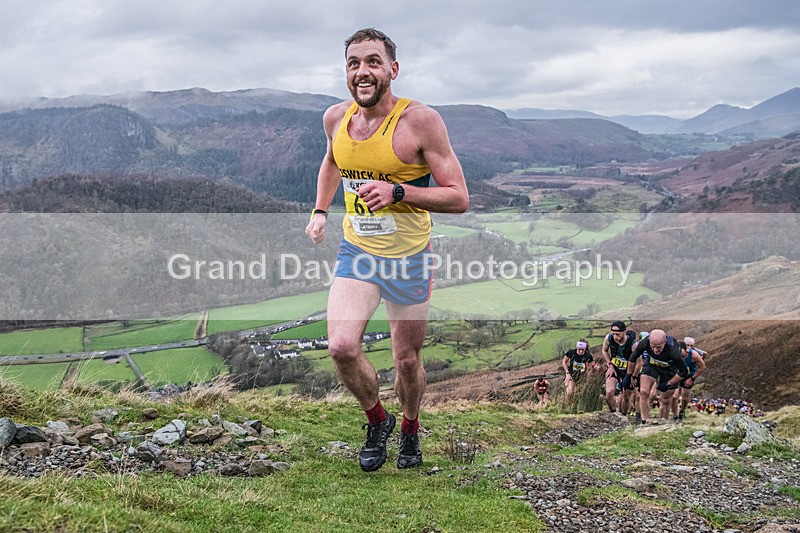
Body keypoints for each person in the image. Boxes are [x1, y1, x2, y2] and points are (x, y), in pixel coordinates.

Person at [306, 28, 469, 472]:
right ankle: (377, 419)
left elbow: (458, 197)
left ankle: (411, 429)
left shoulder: (420, 121)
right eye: (354, 63)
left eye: (373, 62)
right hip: (358, 252)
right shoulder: (335, 119)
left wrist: (399, 192)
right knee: (341, 346)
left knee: (406, 357)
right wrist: (321, 210)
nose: (363, 71)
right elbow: (332, 161)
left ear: (392, 70)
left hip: (409, 257)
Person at [623, 329, 690, 424]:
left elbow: (683, 372)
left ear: (665, 342)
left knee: (666, 400)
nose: (655, 350)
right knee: (644, 392)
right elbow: (633, 358)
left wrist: (668, 384)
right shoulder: (645, 342)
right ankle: (644, 421)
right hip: (652, 364)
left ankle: (663, 422)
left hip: (670, 368)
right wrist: (629, 375)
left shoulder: (673, 350)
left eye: (659, 347)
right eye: (652, 346)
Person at [601, 321, 637, 414]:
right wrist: (610, 365)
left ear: (624, 332)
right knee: (609, 394)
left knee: (626, 396)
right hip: (614, 369)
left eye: (618, 334)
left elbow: (639, 363)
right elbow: (604, 350)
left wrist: (633, 376)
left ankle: (624, 416)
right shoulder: (609, 339)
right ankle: (614, 414)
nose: (615, 337)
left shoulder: (633, 344)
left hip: (629, 372)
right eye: (613, 334)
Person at [676, 340, 706, 420]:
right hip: (677, 373)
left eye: (690, 345)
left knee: (684, 397)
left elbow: (702, 367)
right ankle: (674, 413)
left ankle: (682, 411)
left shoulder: (694, 354)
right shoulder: (675, 352)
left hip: (688, 376)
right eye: (687, 344)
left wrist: (692, 379)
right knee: (674, 395)